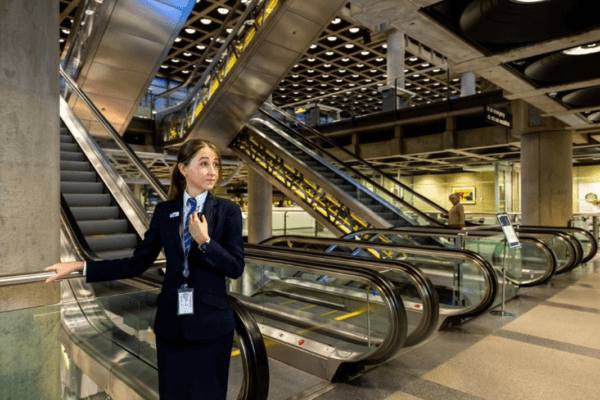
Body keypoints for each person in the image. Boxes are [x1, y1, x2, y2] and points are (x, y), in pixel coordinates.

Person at [45, 139, 244, 400]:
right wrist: (81, 267)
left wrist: (205, 242)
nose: (213, 171)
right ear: (183, 169)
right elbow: (136, 263)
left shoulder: (227, 211)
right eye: (204, 163)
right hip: (171, 326)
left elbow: (236, 267)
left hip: (211, 327)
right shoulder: (165, 212)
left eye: (215, 164)